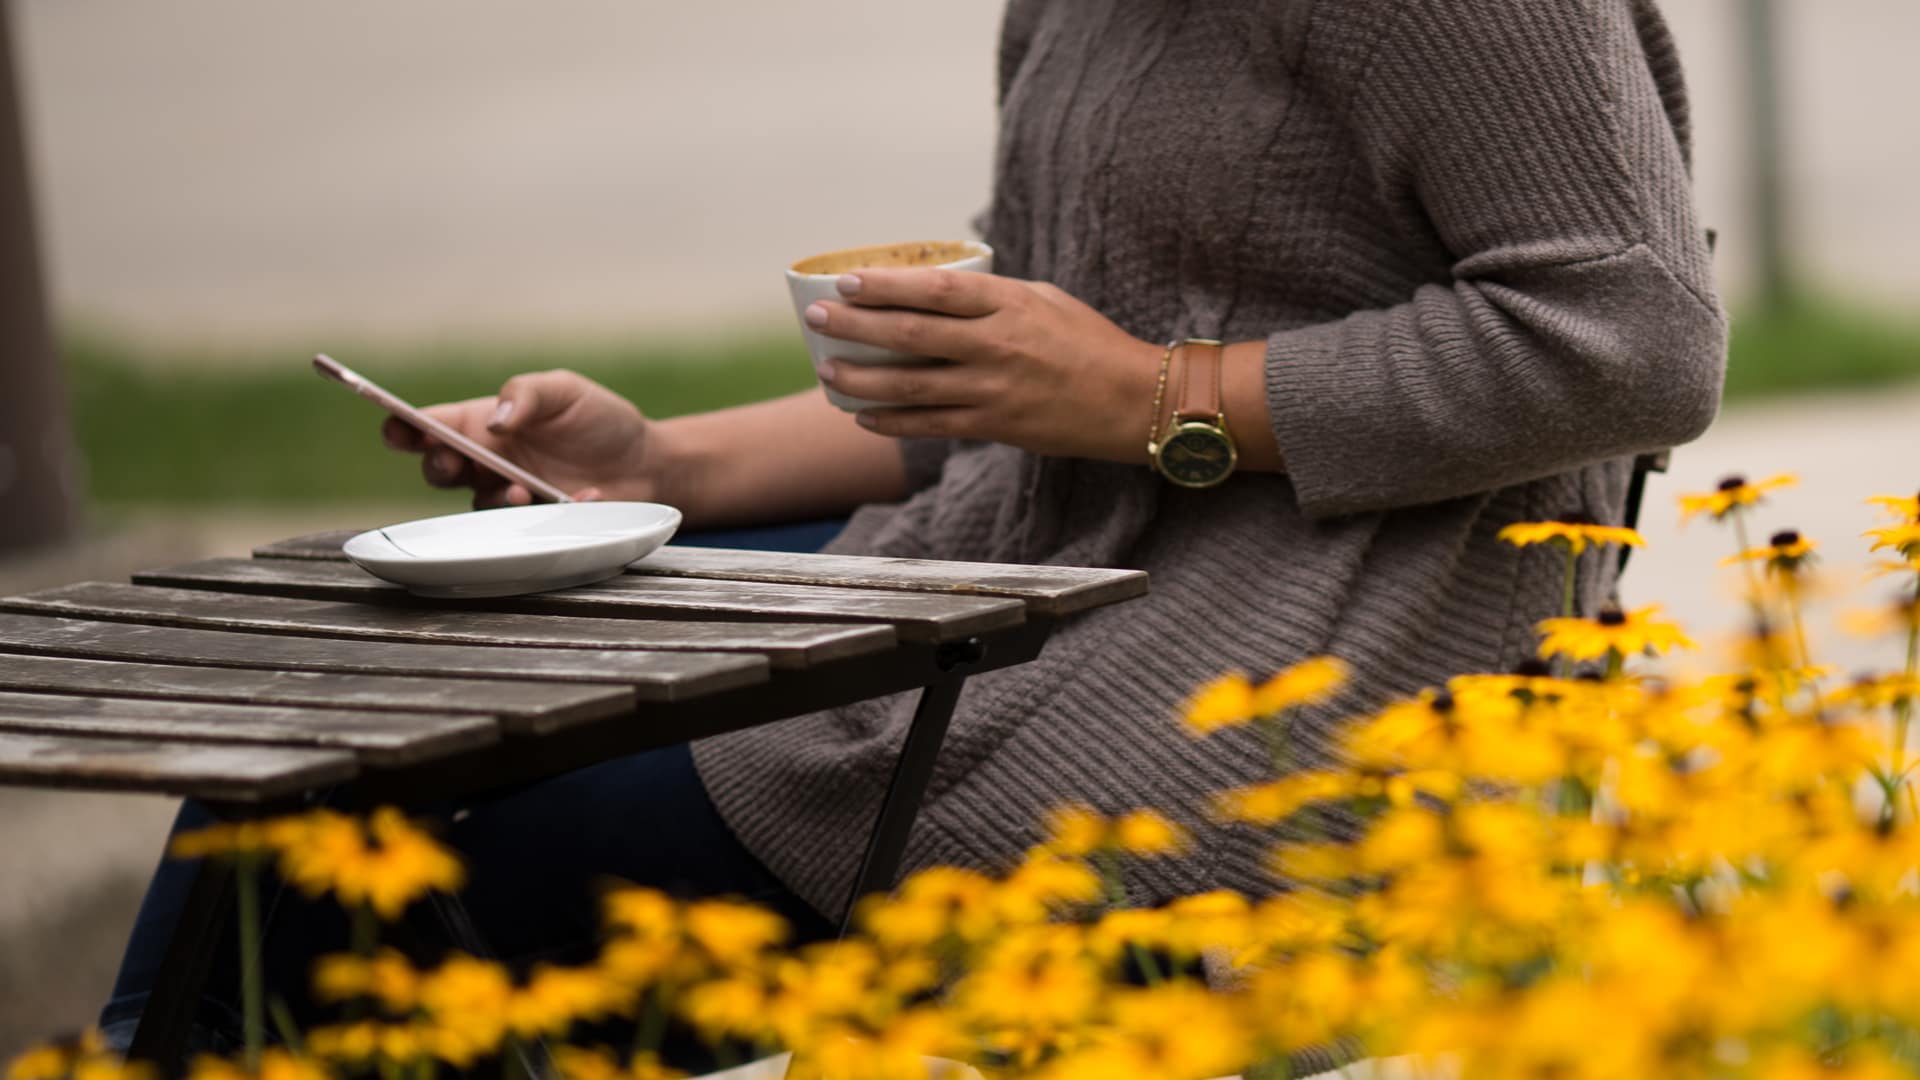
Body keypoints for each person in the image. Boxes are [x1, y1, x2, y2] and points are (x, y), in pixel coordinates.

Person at [105, 0, 1726, 1048]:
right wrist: (656, 463)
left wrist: (1148, 393)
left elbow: (1636, 339)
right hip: (1031, 590)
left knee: (412, 821)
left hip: (1282, 682)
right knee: (361, 721)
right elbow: (1010, 399)